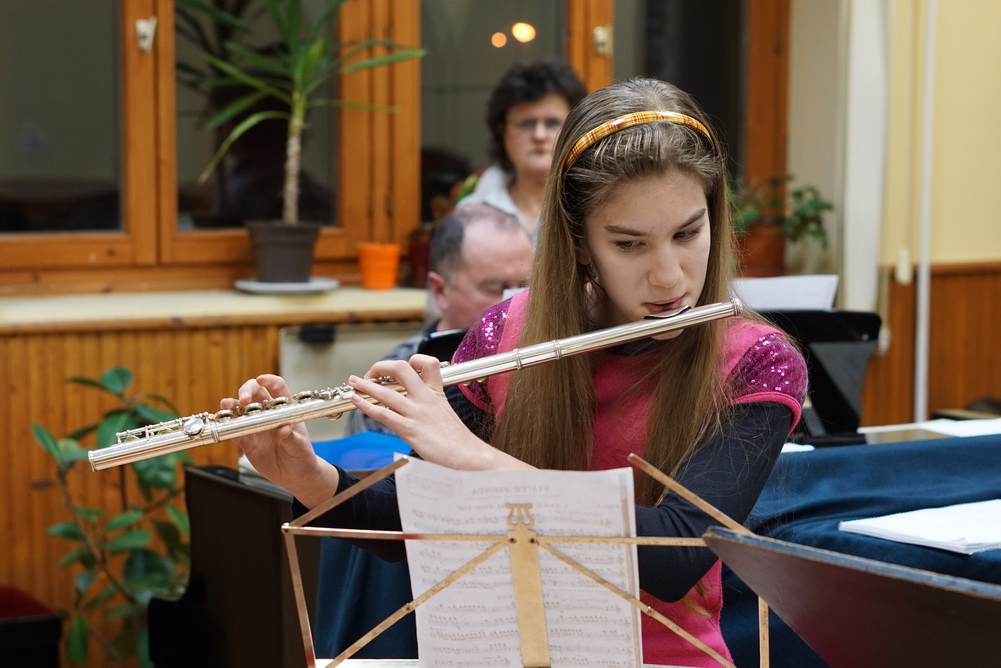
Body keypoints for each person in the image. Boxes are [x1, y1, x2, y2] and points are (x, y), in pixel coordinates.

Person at [224, 77, 807, 667]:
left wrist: (472, 458)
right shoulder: (507, 330)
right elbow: (416, 521)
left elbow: (675, 554)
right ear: (580, 243)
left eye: (687, 233)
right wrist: (309, 477)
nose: (669, 276)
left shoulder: (757, 361)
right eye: (630, 245)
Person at [347, 202, 532, 436]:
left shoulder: (539, 353)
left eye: (524, 288)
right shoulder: (394, 382)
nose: (512, 303)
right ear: (440, 291)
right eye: (495, 288)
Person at [456, 60, 587, 239]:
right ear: (502, 131)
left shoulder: (593, 207)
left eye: (552, 123)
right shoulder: (470, 214)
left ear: (574, 129)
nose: (539, 135)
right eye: (526, 123)